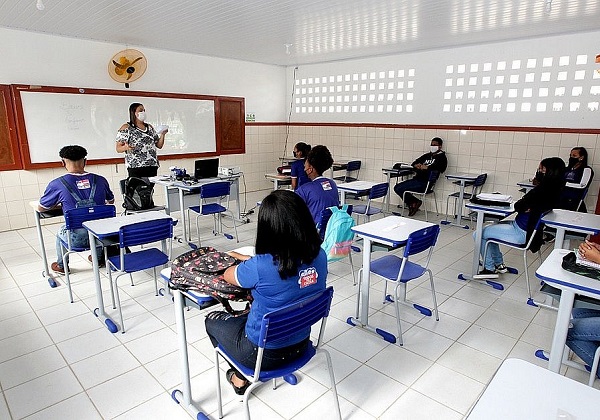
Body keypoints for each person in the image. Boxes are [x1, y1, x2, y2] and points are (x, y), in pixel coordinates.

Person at [205, 189, 327, 395]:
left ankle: (239, 378)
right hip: (301, 343)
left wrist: (247, 262)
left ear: (268, 228)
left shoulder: (261, 266)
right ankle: (262, 371)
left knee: (211, 320)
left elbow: (228, 275)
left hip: (263, 354)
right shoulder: (320, 255)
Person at [478, 157, 566, 275]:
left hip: (521, 231)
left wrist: (524, 204)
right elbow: (523, 206)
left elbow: (519, 206)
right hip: (529, 230)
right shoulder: (555, 189)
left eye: (542, 169)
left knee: (479, 234)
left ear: (550, 171)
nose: (539, 172)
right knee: (488, 230)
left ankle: (489, 269)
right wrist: (525, 205)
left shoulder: (542, 191)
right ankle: (499, 264)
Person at [38, 145, 115, 274]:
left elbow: (42, 208)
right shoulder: (101, 180)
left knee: (61, 231)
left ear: (63, 162)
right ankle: (99, 258)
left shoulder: (57, 184)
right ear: (85, 161)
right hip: (102, 236)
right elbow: (110, 201)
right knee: (96, 223)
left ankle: (62, 266)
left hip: (76, 239)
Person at [393, 137, 448, 216]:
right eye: (431, 145)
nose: (432, 146)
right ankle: (413, 202)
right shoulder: (426, 156)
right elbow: (414, 163)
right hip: (417, 180)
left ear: (440, 146)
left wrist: (427, 168)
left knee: (398, 188)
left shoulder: (442, 158)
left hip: (426, 183)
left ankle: (413, 203)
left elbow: (441, 169)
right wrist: (417, 165)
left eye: (435, 145)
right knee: (398, 187)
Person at [116, 102, 168, 178]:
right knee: (138, 189)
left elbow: (159, 145)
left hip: (151, 166)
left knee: (149, 189)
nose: (143, 112)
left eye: (144, 110)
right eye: (140, 110)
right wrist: (125, 148)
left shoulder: (149, 127)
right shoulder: (126, 127)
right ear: (134, 113)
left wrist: (163, 135)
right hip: (136, 166)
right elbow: (118, 148)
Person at [295, 145, 339, 224]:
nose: (304, 169)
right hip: (332, 228)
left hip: (313, 232)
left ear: (310, 169)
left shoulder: (304, 190)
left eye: (305, 166)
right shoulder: (332, 184)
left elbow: (293, 213)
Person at [560, 147, 594, 212]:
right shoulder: (566, 169)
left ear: (581, 157)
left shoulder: (586, 169)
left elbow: (582, 185)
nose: (571, 158)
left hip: (574, 200)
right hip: (561, 198)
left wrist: (565, 184)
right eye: (570, 155)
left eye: (574, 156)